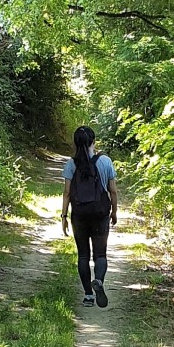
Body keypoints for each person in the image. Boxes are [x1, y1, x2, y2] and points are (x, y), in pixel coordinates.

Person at [61, 125, 118, 307]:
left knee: (83, 255)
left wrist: (63, 216)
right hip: (100, 213)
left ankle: (87, 295)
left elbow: (67, 193)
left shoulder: (71, 164)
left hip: (79, 215)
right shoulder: (105, 161)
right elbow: (113, 191)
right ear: (94, 141)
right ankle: (99, 281)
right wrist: (114, 211)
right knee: (100, 254)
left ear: (75, 143)